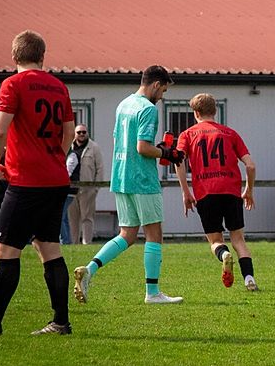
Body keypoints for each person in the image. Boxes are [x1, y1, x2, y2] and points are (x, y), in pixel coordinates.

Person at [0, 30, 75, 337]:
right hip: (56, 179)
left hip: (26, 181)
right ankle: (60, 322)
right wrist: (53, 158)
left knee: (6, 250)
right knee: (49, 248)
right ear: (42, 55)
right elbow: (68, 132)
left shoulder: (13, 84)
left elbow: (0, 132)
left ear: (14, 56)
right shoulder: (59, 86)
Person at [73, 66, 185, 305]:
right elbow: (142, 148)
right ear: (156, 85)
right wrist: (167, 153)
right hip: (142, 179)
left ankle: (89, 270)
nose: (162, 97)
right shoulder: (148, 109)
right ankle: (152, 293)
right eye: (163, 91)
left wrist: (158, 149)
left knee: (127, 234)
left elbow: (121, 140)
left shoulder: (124, 104)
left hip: (122, 177)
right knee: (154, 234)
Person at [175, 93, 259, 291]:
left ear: (196, 113)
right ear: (215, 111)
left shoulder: (187, 135)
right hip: (231, 191)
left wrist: (186, 192)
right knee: (238, 239)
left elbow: (179, 161)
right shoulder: (230, 133)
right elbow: (250, 166)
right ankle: (249, 279)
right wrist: (248, 190)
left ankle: (224, 254)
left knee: (215, 241)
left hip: (206, 192)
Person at [67, 124, 104, 244]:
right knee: (72, 218)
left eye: (84, 132)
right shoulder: (69, 147)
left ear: (87, 133)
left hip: (87, 189)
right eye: (79, 132)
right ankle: (74, 243)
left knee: (87, 218)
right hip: (71, 189)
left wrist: (95, 188)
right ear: (75, 134)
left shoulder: (94, 148)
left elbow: (100, 169)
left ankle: (86, 243)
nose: (81, 134)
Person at [59, 151, 78, 244]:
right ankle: (67, 240)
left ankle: (65, 240)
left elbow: (68, 172)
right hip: (65, 190)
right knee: (64, 217)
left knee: (60, 216)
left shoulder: (72, 155)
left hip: (69, 191)